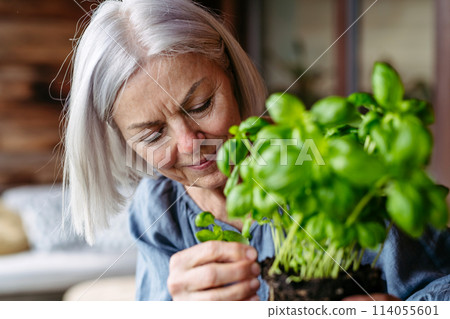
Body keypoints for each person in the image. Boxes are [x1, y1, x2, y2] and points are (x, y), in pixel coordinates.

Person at [63, 0, 450, 301]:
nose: (190, 145)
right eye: (151, 135)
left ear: (230, 73)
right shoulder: (156, 208)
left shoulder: (335, 173)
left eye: (200, 106)